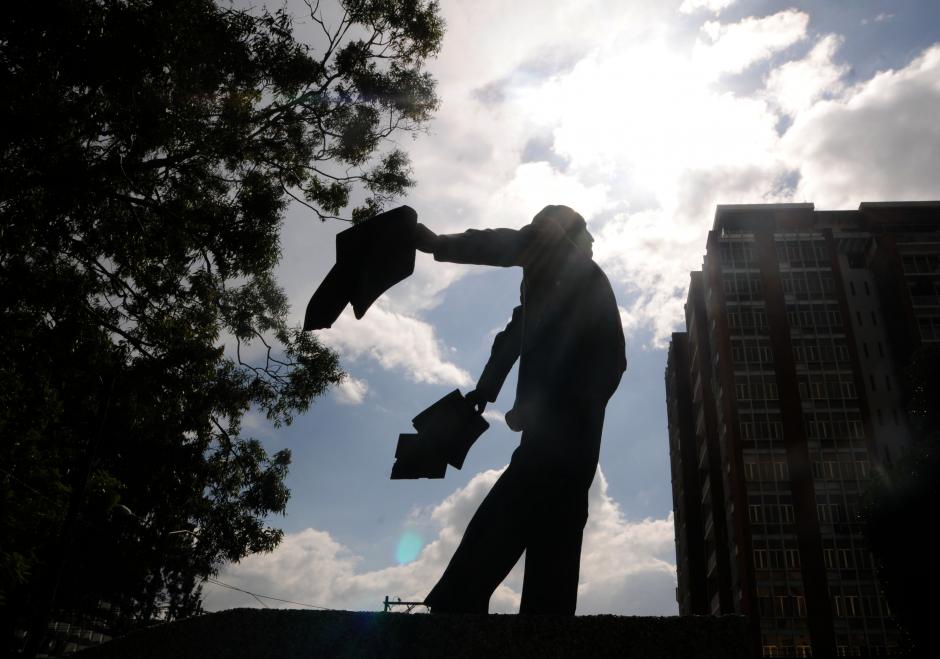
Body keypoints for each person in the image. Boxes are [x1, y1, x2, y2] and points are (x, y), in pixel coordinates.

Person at [413, 205, 626, 615]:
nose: (595, 241)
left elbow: (502, 245)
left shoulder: (571, 268)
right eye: (588, 232)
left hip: (569, 408)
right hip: (574, 411)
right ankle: (542, 615)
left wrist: (437, 243)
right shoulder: (558, 266)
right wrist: (487, 388)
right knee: (559, 509)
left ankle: (462, 595)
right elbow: (515, 333)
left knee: (531, 492)